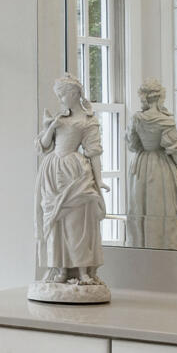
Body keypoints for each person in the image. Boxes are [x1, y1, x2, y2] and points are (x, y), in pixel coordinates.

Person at [33, 76, 109, 300]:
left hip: (75, 173)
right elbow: (43, 146)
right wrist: (52, 127)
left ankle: (83, 270)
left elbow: (93, 153)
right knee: (55, 223)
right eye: (57, 95)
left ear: (75, 94)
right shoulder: (58, 119)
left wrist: (99, 180)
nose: (59, 99)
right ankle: (60, 268)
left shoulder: (87, 121)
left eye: (62, 94)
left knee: (78, 224)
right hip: (52, 172)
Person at [127, 80, 177, 249]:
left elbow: (133, 145)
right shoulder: (165, 120)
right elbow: (175, 150)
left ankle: (141, 248)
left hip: (140, 166)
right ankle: (162, 249)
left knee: (140, 209)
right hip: (160, 167)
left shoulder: (137, 118)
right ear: (160, 97)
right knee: (161, 211)